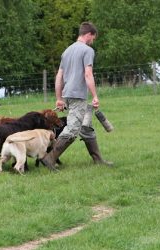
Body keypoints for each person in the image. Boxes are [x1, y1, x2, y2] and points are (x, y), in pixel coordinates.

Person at [41, 22, 113, 170]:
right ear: (89, 34)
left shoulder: (66, 51)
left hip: (67, 94)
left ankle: (98, 159)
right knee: (73, 129)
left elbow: (59, 76)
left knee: (86, 126)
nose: (93, 41)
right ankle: (50, 158)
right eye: (93, 38)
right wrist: (95, 95)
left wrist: (59, 98)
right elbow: (88, 74)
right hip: (78, 95)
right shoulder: (87, 51)